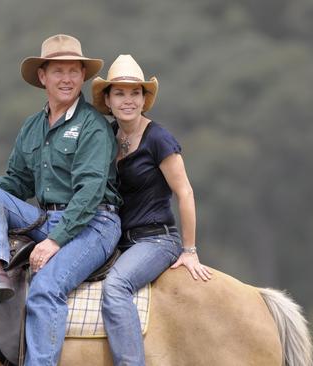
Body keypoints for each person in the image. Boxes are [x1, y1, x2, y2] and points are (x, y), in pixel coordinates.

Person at [0, 34, 122, 365]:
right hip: (45, 218)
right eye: (58, 71)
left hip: (94, 223)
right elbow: (18, 181)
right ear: (43, 77)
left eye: (73, 71)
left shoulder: (92, 125)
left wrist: (54, 242)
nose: (66, 79)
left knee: (45, 290)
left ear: (83, 76)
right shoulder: (32, 127)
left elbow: (90, 193)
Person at [91, 55, 212, 366]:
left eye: (135, 93)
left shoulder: (159, 138)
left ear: (145, 99)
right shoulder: (106, 136)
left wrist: (190, 249)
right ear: (107, 98)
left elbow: (184, 192)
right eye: (119, 93)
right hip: (116, 240)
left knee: (117, 286)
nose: (128, 100)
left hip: (155, 239)